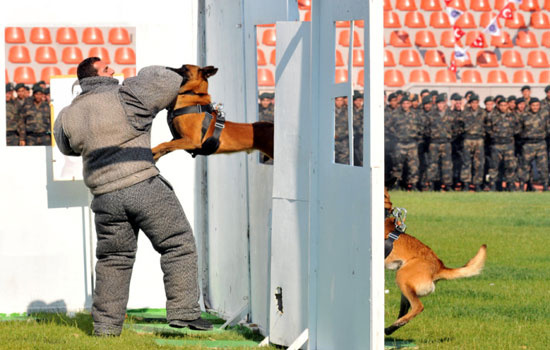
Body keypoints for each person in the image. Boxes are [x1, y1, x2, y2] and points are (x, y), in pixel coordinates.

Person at [53, 57, 211, 336]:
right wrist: (146, 72)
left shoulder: (68, 114)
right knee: (178, 244)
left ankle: (106, 328)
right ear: (95, 76)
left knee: (113, 260)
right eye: (106, 68)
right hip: (142, 185)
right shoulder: (128, 95)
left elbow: (67, 148)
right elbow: (170, 80)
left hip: (104, 197)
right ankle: (184, 313)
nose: (112, 70)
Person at [388, 96, 424, 190]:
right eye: (404, 103)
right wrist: (395, 135)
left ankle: (413, 185)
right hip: (400, 143)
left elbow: (422, 127)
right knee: (397, 165)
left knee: (413, 166)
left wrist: (417, 137)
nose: (405, 105)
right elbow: (388, 127)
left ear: (410, 104)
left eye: (407, 103)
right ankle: (396, 184)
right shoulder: (395, 114)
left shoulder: (416, 115)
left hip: (412, 143)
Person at [485, 98, 520, 191]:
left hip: (508, 144)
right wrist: (495, 136)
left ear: (507, 105)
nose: (503, 107)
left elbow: (518, 128)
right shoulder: (493, 116)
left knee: (510, 166)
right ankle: (493, 185)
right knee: (494, 166)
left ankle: (510, 184)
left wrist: (510, 134)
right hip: (496, 145)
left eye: (505, 105)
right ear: (498, 106)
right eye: (501, 105)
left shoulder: (513, 116)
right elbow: (488, 129)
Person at [517, 98, 549, 191]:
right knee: (525, 167)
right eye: (533, 105)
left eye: (537, 105)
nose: (535, 107)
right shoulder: (524, 116)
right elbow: (519, 130)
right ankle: (522, 186)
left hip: (540, 144)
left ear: (539, 106)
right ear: (530, 106)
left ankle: (545, 186)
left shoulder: (544, 115)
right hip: (528, 144)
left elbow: (548, 128)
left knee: (543, 167)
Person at [426, 94, 455, 191]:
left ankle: (447, 185)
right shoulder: (431, 115)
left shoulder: (451, 114)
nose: (440, 105)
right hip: (434, 143)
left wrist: (450, 137)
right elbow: (426, 129)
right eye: (438, 103)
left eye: (442, 103)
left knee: (447, 165)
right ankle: (433, 184)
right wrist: (432, 136)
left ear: (445, 103)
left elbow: (457, 129)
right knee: (433, 164)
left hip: (446, 142)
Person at [457, 94, 486, 191]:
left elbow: (488, 125)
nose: (474, 105)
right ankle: (466, 183)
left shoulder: (483, 112)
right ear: (470, 104)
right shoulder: (465, 113)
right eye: (472, 103)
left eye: (476, 103)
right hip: (468, 139)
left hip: (479, 139)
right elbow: (459, 126)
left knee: (478, 163)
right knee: (466, 162)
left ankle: (477, 183)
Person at [258, 92, 274, 164]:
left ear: (270, 101)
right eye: (263, 100)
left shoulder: (274, 111)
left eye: (267, 100)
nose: (265, 102)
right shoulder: (257, 109)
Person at [334, 96, 349, 164]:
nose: (339, 102)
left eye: (341, 100)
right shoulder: (330, 111)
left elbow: (351, 127)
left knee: (344, 163)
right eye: (337, 100)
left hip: (343, 142)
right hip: (332, 142)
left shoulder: (348, 111)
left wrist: (340, 135)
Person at [352, 90, 364, 167]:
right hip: (354, 137)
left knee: (362, 156)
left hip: (363, 137)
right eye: (356, 100)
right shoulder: (351, 110)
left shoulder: (365, 110)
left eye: (359, 100)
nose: (358, 102)